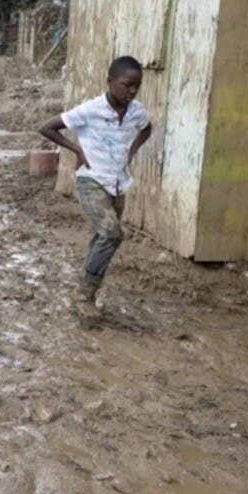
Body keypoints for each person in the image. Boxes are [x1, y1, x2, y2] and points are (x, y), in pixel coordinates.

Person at [39, 55, 152, 311]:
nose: (132, 91)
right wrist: (76, 149)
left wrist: (133, 149)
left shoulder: (136, 111)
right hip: (91, 180)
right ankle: (85, 295)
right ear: (110, 81)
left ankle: (86, 287)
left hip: (118, 183)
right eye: (126, 85)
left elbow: (147, 129)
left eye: (137, 85)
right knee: (112, 233)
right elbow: (47, 128)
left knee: (102, 237)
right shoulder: (91, 110)